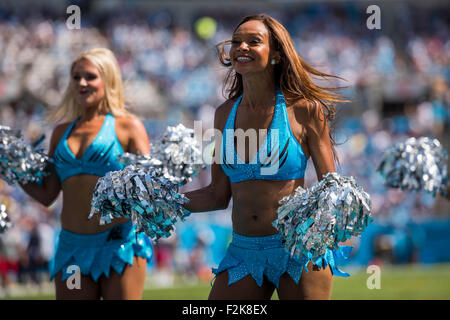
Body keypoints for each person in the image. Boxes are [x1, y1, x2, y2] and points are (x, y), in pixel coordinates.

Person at [183, 14, 351, 300]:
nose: (242, 47)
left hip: (298, 251)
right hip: (243, 252)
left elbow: (330, 188)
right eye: (236, 41)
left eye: (253, 41)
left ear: (275, 55)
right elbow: (217, 194)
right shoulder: (223, 115)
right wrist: (161, 202)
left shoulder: (305, 110)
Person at [17, 48, 152, 300]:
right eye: (76, 77)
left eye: (90, 76)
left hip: (118, 244)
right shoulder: (60, 133)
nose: (82, 83)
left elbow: (148, 188)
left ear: (108, 79)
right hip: (72, 248)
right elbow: (48, 194)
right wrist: (13, 169)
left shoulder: (128, 126)